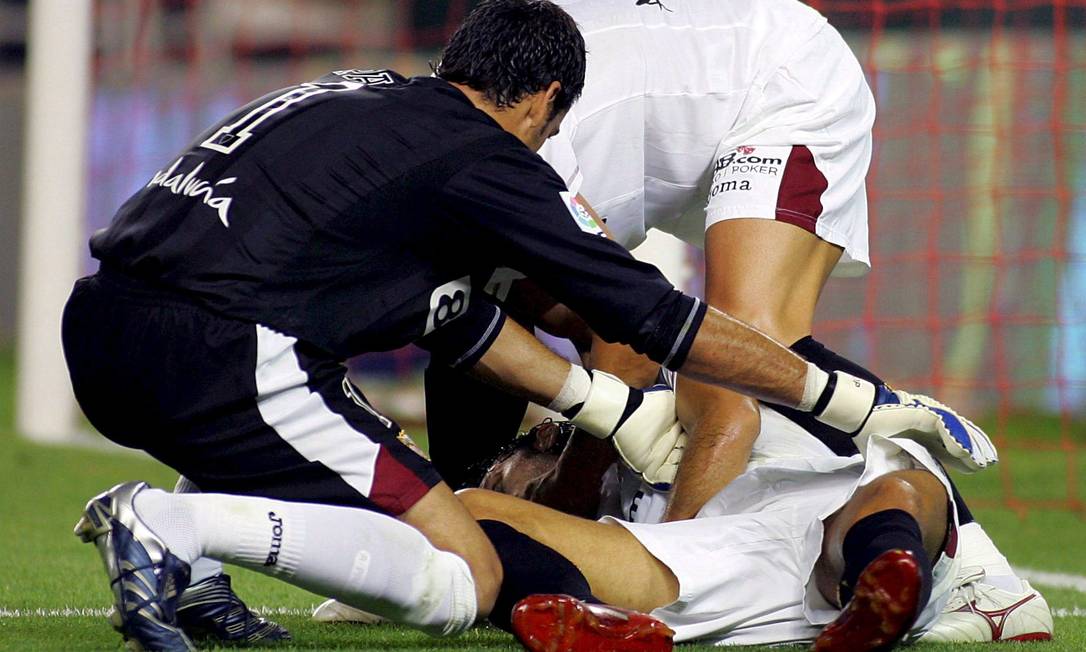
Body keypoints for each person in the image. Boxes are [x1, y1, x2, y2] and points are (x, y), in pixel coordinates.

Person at [61, 1, 979, 650]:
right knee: (462, 567)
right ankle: (176, 526)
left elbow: (452, 316)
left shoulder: (370, 91)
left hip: (105, 326)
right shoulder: (496, 158)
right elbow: (646, 317)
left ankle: (199, 559)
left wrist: (608, 417)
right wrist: (850, 399)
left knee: (342, 402)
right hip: (225, 352)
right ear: (543, 101)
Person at [411, 0, 1045, 642]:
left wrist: (626, 513)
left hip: (772, 78)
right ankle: (452, 563)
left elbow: (629, 345)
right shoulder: (449, 156)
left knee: (746, 337)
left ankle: (983, 578)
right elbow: (461, 322)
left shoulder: (511, 163)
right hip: (667, 109)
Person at [458, 390, 1051, 650]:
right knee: (465, 513)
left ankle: (879, 576)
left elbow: (730, 416)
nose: (520, 504)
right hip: (715, 561)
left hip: (818, 502)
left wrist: (678, 524)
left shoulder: (661, 383)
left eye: (505, 476)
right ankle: (582, 614)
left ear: (538, 438)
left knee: (900, 488)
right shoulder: (609, 512)